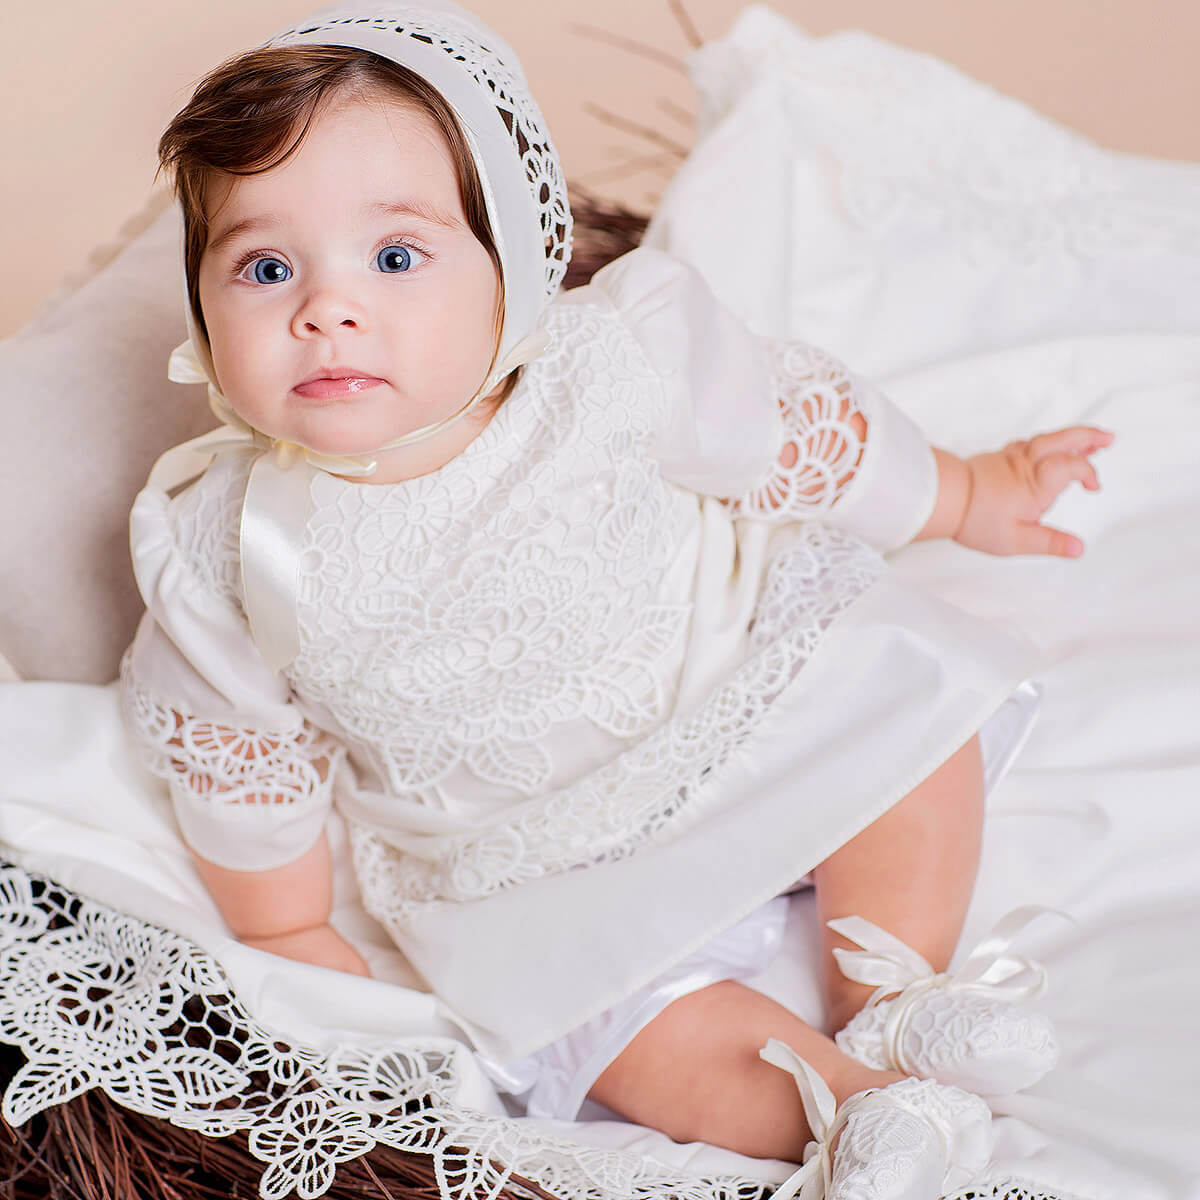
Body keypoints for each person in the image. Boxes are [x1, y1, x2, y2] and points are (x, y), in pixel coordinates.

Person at [120, 4, 1113, 1196]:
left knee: (900, 712)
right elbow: (240, 756)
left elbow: (798, 433)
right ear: (204, 315)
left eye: (394, 257)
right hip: (531, 861)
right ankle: (858, 1113)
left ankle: (896, 999)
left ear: (512, 273)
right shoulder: (222, 544)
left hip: (737, 695)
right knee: (614, 1025)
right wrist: (292, 936)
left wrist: (966, 493)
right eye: (265, 267)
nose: (326, 308)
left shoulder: (612, 368)